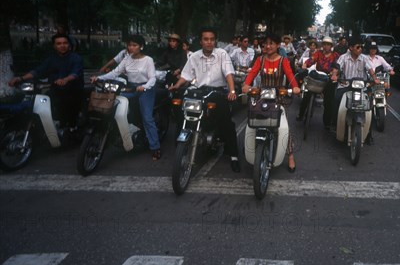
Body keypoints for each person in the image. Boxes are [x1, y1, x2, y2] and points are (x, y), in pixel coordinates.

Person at [169, 27, 242, 172]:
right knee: (180, 111)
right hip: (199, 90)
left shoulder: (222, 54)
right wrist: (176, 86)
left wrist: (232, 91)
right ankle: (181, 147)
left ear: (215, 41)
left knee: (227, 122)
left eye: (212, 39)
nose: (209, 42)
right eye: (206, 39)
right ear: (200, 41)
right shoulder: (194, 56)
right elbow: (186, 75)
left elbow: (228, 73)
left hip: (218, 91)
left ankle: (234, 156)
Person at [91, 35, 162, 160]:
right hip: (131, 88)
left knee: (147, 117)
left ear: (141, 46)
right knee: (114, 103)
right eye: (129, 45)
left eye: (134, 45)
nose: (131, 47)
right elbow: (115, 72)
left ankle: (155, 147)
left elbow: (152, 78)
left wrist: (144, 87)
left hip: (146, 89)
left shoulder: (148, 60)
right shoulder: (127, 59)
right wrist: (99, 78)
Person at [242, 33, 301, 172]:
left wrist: (295, 87)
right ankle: (253, 147)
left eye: (271, 43)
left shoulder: (283, 61)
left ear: (277, 45)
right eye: (266, 44)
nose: (268, 46)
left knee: (284, 125)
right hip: (262, 94)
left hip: (279, 96)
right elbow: (252, 73)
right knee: (254, 118)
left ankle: (290, 154)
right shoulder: (260, 59)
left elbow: (290, 75)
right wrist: (246, 84)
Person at [9, 33, 83, 129]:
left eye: (65, 43)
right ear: (54, 46)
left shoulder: (76, 58)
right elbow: (38, 71)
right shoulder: (51, 59)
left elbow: (75, 73)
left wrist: (65, 79)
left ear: (69, 45)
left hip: (72, 90)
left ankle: (71, 128)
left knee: (67, 109)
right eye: (59, 43)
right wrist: (20, 78)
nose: (62, 46)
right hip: (56, 89)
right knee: (41, 102)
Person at [330, 36, 379, 144]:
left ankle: (369, 134)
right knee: (337, 99)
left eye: (361, 47)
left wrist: (374, 78)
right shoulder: (343, 57)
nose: (360, 49)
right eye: (358, 47)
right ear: (351, 48)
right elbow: (337, 67)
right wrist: (334, 75)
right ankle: (335, 124)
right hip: (346, 85)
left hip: (361, 87)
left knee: (369, 106)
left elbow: (370, 69)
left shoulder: (364, 58)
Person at [298, 36, 339, 129]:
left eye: (328, 45)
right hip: (317, 77)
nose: (325, 46)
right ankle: (300, 115)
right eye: (324, 44)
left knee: (329, 101)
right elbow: (311, 60)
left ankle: (327, 122)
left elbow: (337, 66)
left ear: (331, 46)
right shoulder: (318, 53)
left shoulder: (335, 55)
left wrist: (334, 74)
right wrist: (305, 65)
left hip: (328, 78)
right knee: (307, 95)